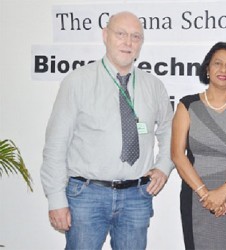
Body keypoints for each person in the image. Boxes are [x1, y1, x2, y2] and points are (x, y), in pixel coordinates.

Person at [40, 11, 174, 250]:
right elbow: (56, 144)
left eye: (136, 36)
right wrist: (56, 198)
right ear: (105, 35)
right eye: (121, 34)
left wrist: (163, 166)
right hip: (87, 195)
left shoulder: (153, 86)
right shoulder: (78, 81)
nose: (128, 42)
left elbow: (169, 130)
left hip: (137, 197)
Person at [171, 42, 226, 250]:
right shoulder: (187, 106)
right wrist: (206, 194)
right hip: (196, 194)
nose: (223, 70)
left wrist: (224, 191)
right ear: (207, 69)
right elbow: (177, 154)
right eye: (218, 63)